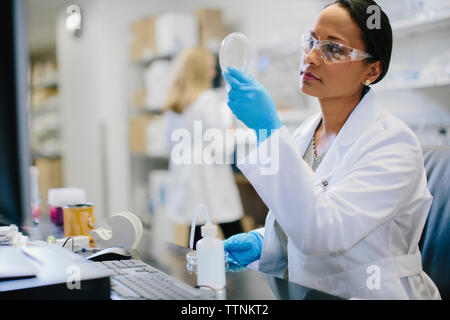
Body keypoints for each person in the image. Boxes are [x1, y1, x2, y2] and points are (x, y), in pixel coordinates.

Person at [222, 0, 441, 300]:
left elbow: (324, 231)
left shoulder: (393, 144)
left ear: (372, 70)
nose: (311, 57)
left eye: (334, 49)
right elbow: (302, 214)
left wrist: (268, 131)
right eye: (311, 41)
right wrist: (266, 241)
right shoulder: (304, 134)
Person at [163, 47, 244, 249]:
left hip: (188, 184)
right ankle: (245, 281)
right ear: (199, 72)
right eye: (210, 68)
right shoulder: (207, 101)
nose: (214, 73)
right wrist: (232, 134)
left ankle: (199, 281)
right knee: (236, 235)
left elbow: (168, 145)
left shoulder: (174, 106)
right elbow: (219, 149)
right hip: (212, 182)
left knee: (198, 245)